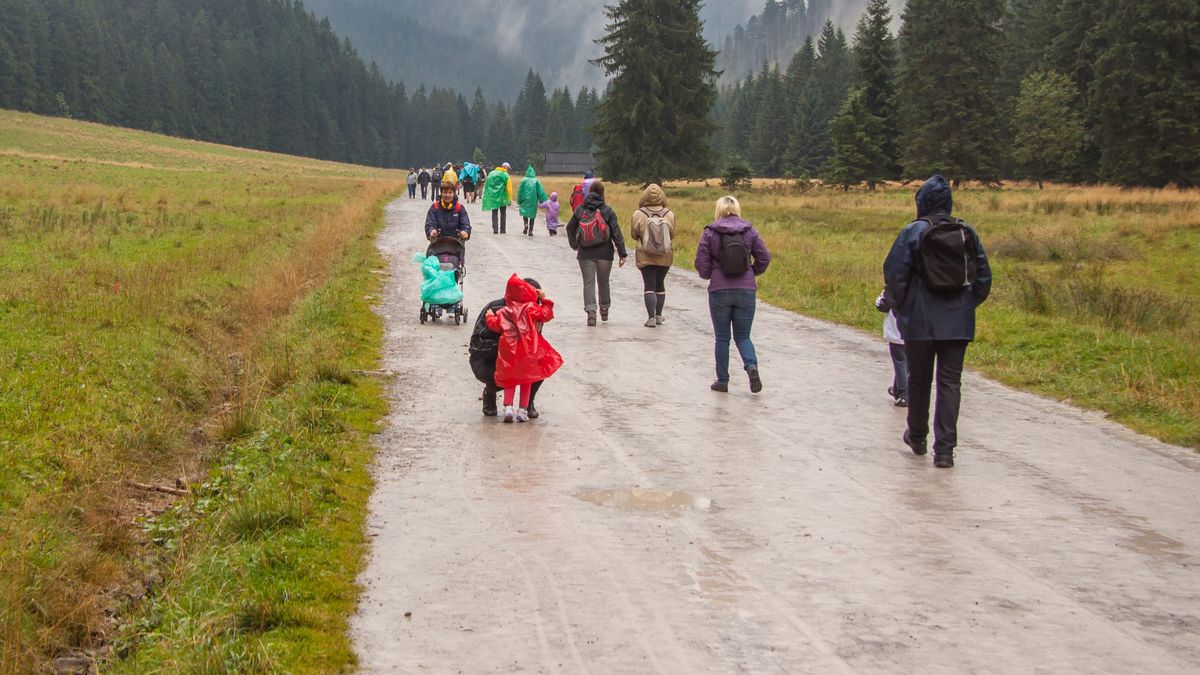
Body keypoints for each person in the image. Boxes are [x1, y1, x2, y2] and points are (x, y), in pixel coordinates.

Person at [882, 175, 992, 468]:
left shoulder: (912, 232)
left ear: (922, 202)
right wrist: (966, 305)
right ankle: (945, 450)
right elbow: (983, 277)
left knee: (919, 379)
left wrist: (901, 307)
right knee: (950, 383)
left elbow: (894, 274)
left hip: (919, 320)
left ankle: (917, 436)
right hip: (958, 322)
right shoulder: (967, 231)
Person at [695, 195, 771, 394]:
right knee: (743, 336)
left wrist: (711, 274)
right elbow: (764, 257)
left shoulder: (710, 233)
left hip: (719, 290)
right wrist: (752, 272)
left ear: (718, 210)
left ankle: (722, 381)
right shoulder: (750, 231)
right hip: (746, 290)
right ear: (737, 209)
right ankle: (751, 366)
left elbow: (702, 264)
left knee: (722, 338)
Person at [485, 275, 563, 423]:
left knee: (510, 381)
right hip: (529, 352)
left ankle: (508, 407)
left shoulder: (504, 311)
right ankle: (522, 410)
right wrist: (544, 298)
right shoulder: (532, 309)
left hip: (508, 352)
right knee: (527, 381)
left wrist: (489, 317)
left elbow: (495, 325)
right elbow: (546, 314)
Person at [470, 278, 547, 417]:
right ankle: (490, 392)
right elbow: (475, 346)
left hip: (521, 360)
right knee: (506, 371)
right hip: (490, 359)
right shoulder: (497, 309)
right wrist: (503, 345)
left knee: (543, 361)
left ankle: (527, 403)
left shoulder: (533, 313)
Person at [566, 180, 627, 326]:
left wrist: (575, 245)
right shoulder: (607, 211)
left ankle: (591, 313)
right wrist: (622, 253)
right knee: (604, 282)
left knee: (588, 283)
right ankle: (604, 309)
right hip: (605, 253)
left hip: (585, 253)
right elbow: (616, 233)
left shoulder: (580, 210)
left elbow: (569, 228)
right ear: (602, 193)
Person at [630, 184, 676, 328]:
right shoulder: (669, 214)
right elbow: (672, 234)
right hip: (665, 255)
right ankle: (658, 315)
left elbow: (633, 234)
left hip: (645, 254)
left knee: (649, 285)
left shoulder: (638, 214)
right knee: (660, 284)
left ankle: (650, 317)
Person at [876, 290, 908, 407]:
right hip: (915, 332)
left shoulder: (893, 286)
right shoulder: (919, 285)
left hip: (897, 332)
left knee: (900, 363)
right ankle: (897, 389)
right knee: (908, 363)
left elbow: (881, 305)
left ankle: (904, 394)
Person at [425, 175, 471, 248]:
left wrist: (465, 232)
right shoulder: (435, 207)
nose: (447, 195)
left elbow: (465, 224)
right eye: (445, 192)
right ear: (441, 193)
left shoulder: (459, 208)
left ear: (454, 194)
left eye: (450, 193)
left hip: (456, 246)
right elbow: (430, 223)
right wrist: (432, 231)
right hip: (437, 245)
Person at [482, 162, 514, 234]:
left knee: (494, 213)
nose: (508, 170)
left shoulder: (492, 173)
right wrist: (510, 199)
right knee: (503, 213)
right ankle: (503, 229)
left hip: (493, 197)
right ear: (506, 167)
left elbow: (487, 185)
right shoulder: (506, 175)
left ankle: (495, 229)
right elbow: (509, 188)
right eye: (508, 168)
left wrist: (488, 196)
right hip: (503, 198)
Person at [517, 166, 548, 237]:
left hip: (524, 200)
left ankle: (525, 224)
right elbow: (541, 192)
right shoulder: (536, 181)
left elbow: (520, 191)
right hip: (533, 200)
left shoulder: (523, 180)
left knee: (525, 213)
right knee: (532, 216)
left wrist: (519, 200)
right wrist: (543, 201)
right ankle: (530, 231)